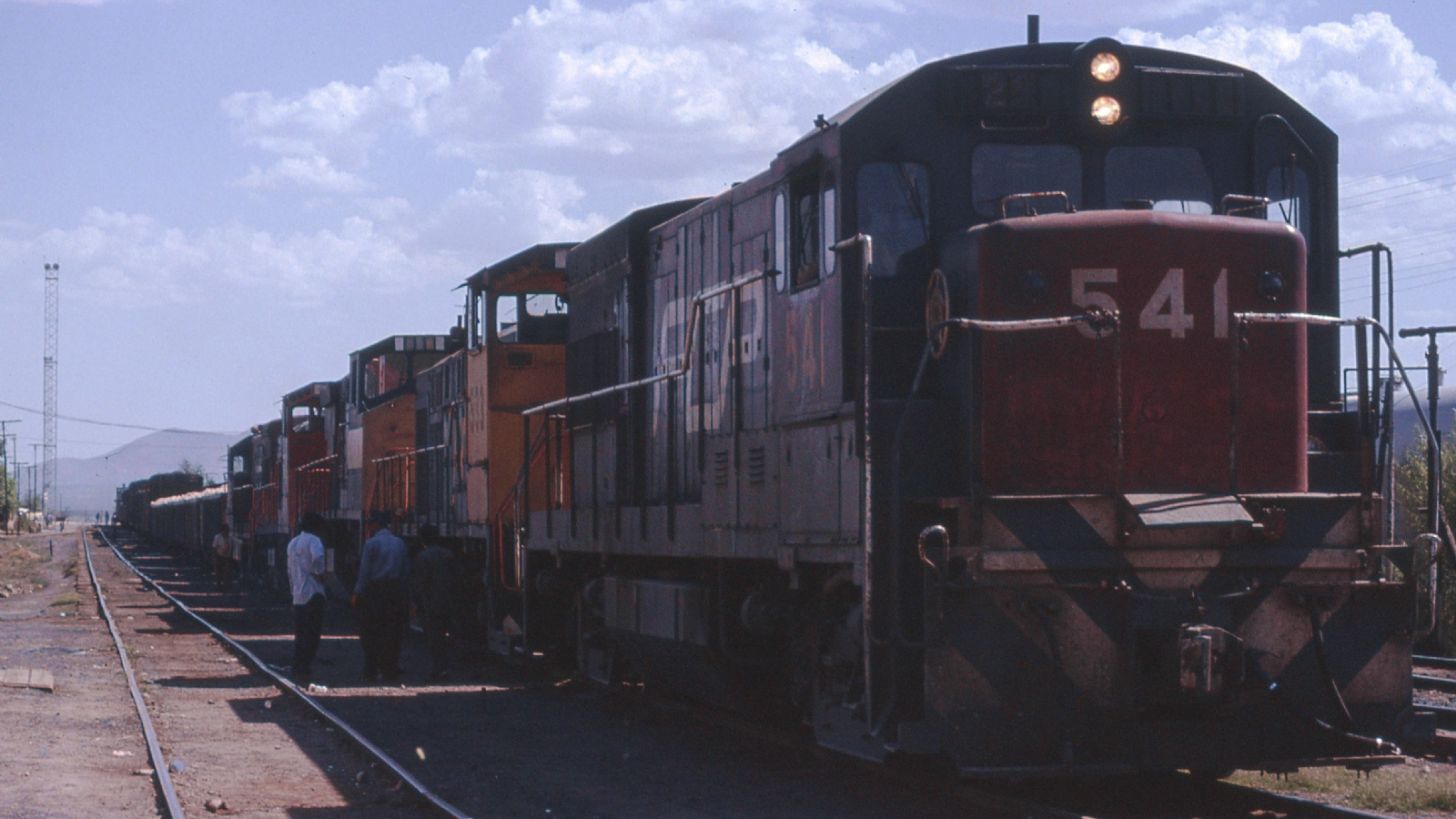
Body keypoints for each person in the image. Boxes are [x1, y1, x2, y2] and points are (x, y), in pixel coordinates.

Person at [354, 510, 410, 682]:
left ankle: (370, 670)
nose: (369, 527)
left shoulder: (371, 544)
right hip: (394, 591)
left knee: (371, 632)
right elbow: (405, 571)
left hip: (375, 592)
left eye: (371, 523)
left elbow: (364, 572)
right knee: (393, 632)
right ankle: (390, 669)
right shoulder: (400, 543)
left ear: (376, 524)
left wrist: (357, 592)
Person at [286, 512, 328, 684]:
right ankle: (305, 667)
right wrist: (320, 574)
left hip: (298, 595)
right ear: (316, 527)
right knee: (312, 634)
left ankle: (297, 666)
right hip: (313, 593)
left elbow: (289, 572)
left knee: (300, 634)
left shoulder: (292, 543)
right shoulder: (314, 540)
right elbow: (318, 558)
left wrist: (292, 592)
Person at [412, 524, 457, 680]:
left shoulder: (422, 557)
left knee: (434, 639)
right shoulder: (449, 554)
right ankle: (446, 667)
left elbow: (420, 583)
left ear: (422, 539)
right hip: (449, 601)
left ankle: (439, 669)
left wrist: (418, 603)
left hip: (431, 604)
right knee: (448, 635)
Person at [211, 523, 238, 587]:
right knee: (218, 573)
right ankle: (218, 586)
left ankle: (225, 586)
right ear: (222, 530)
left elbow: (233, 547)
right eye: (226, 529)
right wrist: (214, 558)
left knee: (226, 573)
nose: (227, 531)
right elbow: (214, 547)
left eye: (228, 530)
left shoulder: (230, 538)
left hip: (227, 558)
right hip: (218, 557)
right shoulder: (217, 537)